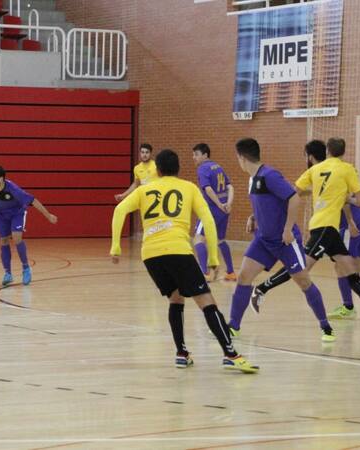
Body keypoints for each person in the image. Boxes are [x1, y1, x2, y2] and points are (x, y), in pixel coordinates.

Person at [110, 149, 259, 372]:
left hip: (151, 255)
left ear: (158, 170)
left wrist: (116, 246)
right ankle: (231, 354)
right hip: (178, 251)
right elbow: (208, 220)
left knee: (176, 298)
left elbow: (119, 210)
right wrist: (212, 257)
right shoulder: (189, 188)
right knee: (207, 302)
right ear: (178, 168)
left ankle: (182, 353)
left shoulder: (144, 190)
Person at [248, 139, 360, 323]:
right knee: (301, 267)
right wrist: (346, 198)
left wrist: (259, 213)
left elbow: (292, 193)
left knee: (349, 267)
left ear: (327, 151)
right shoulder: (347, 169)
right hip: (325, 227)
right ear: (344, 152)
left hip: (327, 227)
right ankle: (261, 289)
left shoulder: (314, 170)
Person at [227, 138, 335, 342]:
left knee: (303, 281)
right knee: (243, 277)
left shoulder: (270, 175)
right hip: (263, 239)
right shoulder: (253, 179)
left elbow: (293, 198)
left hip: (285, 240)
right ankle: (233, 326)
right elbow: (267, 204)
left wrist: (287, 229)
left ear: (242, 157)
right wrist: (253, 217)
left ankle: (326, 326)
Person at [0, 165, 57, 286]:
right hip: (2, 215)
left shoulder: (14, 190)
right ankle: (8, 273)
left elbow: (33, 201)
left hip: (16, 213)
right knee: (3, 241)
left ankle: (26, 268)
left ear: (1, 179)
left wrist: (48, 215)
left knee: (16, 237)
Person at [191, 143, 236, 282]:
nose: (194, 157)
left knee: (198, 239)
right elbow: (230, 187)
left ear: (205, 155)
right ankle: (230, 272)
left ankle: (204, 273)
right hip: (224, 211)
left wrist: (218, 204)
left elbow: (208, 189)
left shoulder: (202, 168)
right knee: (220, 240)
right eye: (193, 154)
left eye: (196, 154)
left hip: (210, 210)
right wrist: (228, 204)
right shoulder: (218, 167)